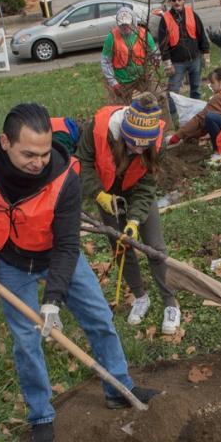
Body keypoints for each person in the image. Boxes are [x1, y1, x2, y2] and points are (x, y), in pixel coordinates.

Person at [0, 103, 157, 442]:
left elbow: (68, 245)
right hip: (10, 260)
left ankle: (118, 387)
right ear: (5, 142)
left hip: (56, 256)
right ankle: (41, 415)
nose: (38, 161)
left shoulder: (63, 177)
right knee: (26, 340)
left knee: (99, 317)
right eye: (29, 154)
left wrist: (53, 299)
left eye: (44, 152)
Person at [77, 93, 181, 335]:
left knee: (155, 248)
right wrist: (99, 195)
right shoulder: (98, 129)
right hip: (107, 192)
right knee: (121, 246)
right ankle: (140, 296)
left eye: (142, 146)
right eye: (132, 143)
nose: (137, 149)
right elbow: (82, 162)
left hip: (137, 190)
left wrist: (134, 219)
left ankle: (170, 303)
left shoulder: (156, 143)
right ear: (122, 132)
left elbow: (146, 187)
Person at [168, 66, 221, 167]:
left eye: (213, 83)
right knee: (211, 117)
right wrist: (191, 136)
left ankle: (219, 154)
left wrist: (177, 136)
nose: (211, 86)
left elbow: (200, 119)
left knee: (210, 117)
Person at [158, 0, 211, 118]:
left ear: (183, 0)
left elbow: (201, 34)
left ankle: (197, 114)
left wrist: (205, 54)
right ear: (170, 1)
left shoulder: (192, 14)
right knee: (173, 91)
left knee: (196, 89)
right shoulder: (166, 19)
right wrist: (167, 62)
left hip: (195, 59)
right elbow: (163, 43)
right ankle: (174, 117)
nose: (177, 2)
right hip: (177, 62)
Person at [101, 6, 161, 104]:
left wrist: (156, 60)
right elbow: (105, 62)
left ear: (133, 21)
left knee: (159, 97)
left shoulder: (143, 33)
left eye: (127, 23)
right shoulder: (111, 38)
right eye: (122, 24)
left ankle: (164, 119)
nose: (125, 27)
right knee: (123, 109)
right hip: (123, 82)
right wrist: (113, 83)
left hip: (143, 77)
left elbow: (154, 51)